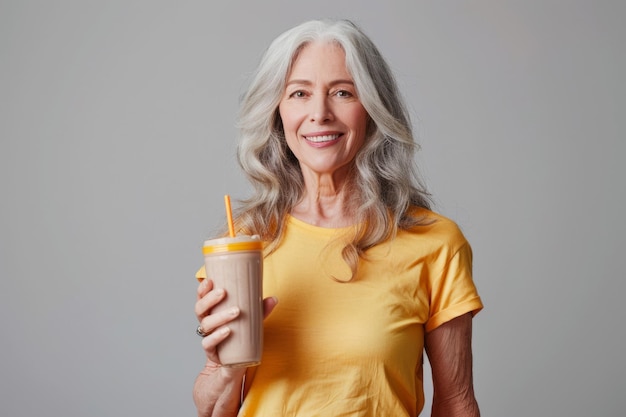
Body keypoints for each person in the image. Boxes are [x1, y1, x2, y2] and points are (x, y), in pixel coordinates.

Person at [193, 19, 483, 417]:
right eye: (299, 93)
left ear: (372, 109)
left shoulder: (435, 242)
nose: (319, 114)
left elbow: (456, 403)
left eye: (342, 92)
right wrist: (223, 368)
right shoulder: (243, 244)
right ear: (277, 111)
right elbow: (212, 411)